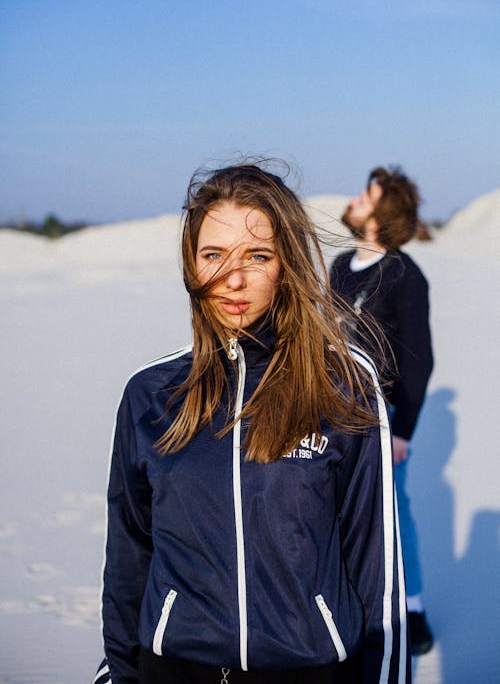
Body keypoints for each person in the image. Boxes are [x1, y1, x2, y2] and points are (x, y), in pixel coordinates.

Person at [95, 162, 409, 684]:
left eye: (257, 257)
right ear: (191, 265)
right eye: (213, 255)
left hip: (306, 670)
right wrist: (118, 673)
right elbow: (129, 558)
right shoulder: (150, 395)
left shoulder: (344, 384)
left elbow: (377, 570)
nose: (232, 279)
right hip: (173, 668)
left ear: (286, 263)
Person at [329, 166, 434, 656]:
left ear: (381, 213)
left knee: (395, 511)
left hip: (382, 416)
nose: (354, 199)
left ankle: (412, 610)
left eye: (365, 195)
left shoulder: (405, 274)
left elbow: (420, 357)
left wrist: (403, 430)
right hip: (333, 411)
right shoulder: (339, 267)